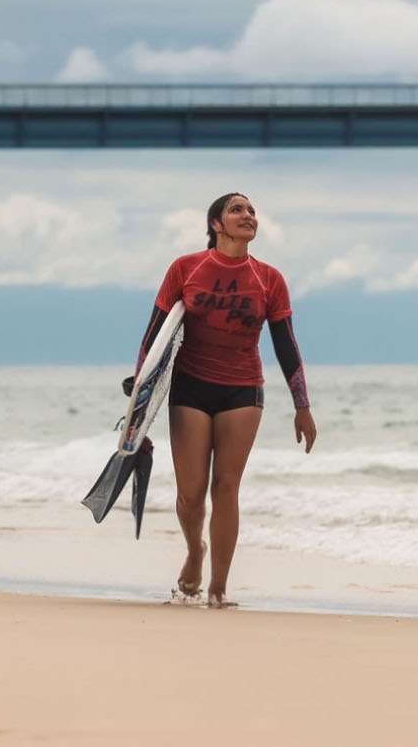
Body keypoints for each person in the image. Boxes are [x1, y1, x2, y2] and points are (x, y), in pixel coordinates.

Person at [128, 192, 316, 608]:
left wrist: (302, 406)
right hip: (191, 385)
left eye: (251, 211)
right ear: (216, 224)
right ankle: (195, 550)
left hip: (243, 388)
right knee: (190, 494)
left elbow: (286, 345)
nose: (248, 216)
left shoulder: (269, 279)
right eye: (237, 210)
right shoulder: (185, 269)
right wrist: (136, 408)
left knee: (227, 487)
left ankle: (218, 588)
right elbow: (154, 337)